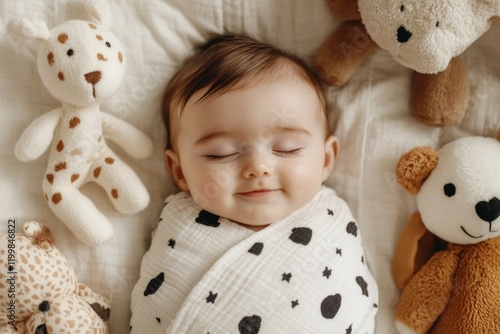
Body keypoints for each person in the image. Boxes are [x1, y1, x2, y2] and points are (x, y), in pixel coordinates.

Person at [130, 34, 378, 334]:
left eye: (287, 148)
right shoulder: (180, 228)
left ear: (326, 159)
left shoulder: (331, 224)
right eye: (221, 154)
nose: (257, 167)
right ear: (179, 171)